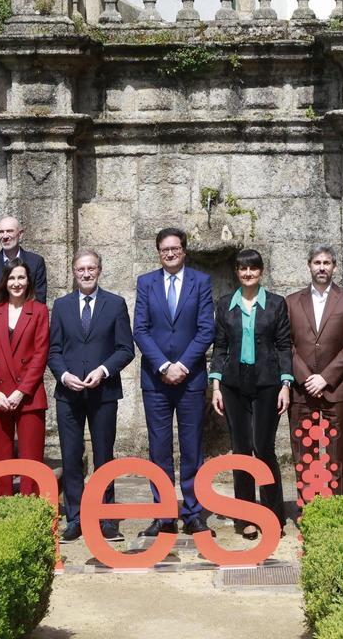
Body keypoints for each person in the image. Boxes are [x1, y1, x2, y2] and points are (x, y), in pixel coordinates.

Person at [132, 227, 215, 537]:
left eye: (175, 248)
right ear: (158, 252)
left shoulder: (201, 282)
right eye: (164, 249)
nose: (170, 253)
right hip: (156, 380)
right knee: (159, 449)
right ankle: (163, 513)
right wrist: (165, 365)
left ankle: (193, 513)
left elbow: (206, 330)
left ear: (184, 250)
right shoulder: (146, 283)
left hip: (190, 378)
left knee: (192, 447)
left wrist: (181, 365)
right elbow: (140, 329)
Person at [49, 250, 134, 541]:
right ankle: (75, 518)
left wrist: (103, 370)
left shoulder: (115, 304)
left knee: (104, 457)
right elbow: (54, 350)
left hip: (103, 392)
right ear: (74, 272)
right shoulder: (61, 306)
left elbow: (126, 348)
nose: (86, 274)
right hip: (68, 394)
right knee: (71, 458)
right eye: (80, 269)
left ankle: (106, 518)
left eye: (91, 269)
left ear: (99, 270)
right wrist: (63, 375)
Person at [210, 249, 293, 538]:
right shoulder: (224, 305)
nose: (248, 274)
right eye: (243, 269)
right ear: (236, 272)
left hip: (268, 383)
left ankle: (272, 515)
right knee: (242, 450)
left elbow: (284, 345)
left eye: (253, 269)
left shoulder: (276, 304)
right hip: (233, 385)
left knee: (264, 448)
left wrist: (285, 385)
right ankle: (245, 516)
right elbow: (219, 347)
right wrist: (217, 387)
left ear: (261, 272)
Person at [285, 244, 343, 501]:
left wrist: (325, 378)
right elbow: (287, 344)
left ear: (334, 267)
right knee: (304, 451)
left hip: (336, 388)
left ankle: (337, 510)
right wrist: (307, 377)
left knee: (335, 454)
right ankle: (308, 509)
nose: (321, 267)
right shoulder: (292, 301)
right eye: (317, 263)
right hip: (301, 390)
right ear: (309, 266)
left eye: (326, 263)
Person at [0, 259, 50, 498]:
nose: (16, 283)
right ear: (5, 281)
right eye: (12, 278)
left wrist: (21, 391)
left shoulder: (39, 311)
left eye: (21, 278)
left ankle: (31, 508)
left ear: (28, 280)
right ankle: (2, 509)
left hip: (28, 395)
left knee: (32, 457)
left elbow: (40, 355)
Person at [0, 216, 47, 318]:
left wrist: (20, 325)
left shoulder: (36, 262)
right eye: (1, 232)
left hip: (26, 327)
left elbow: (39, 300)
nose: (5, 236)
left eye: (9, 231)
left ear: (20, 234)